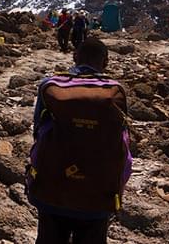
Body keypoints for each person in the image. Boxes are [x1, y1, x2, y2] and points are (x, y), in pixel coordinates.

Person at [26, 37, 132, 244]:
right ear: (106, 62)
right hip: (98, 194)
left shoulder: (50, 85)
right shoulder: (115, 90)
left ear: (74, 57)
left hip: (52, 189)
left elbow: (38, 131)